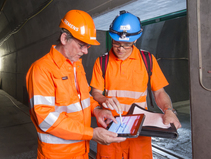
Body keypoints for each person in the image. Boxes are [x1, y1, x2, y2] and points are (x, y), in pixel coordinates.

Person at [26, 10, 126, 159]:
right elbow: (45, 118)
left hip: (81, 151)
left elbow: (85, 99)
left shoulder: (76, 65)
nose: (85, 52)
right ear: (64, 38)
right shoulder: (41, 69)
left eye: (88, 47)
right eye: (81, 45)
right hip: (57, 155)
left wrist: (98, 110)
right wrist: (91, 133)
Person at [90, 10, 182, 159]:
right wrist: (103, 99)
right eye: (116, 43)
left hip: (140, 131)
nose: (120, 48)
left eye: (126, 45)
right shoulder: (102, 62)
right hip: (110, 127)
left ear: (135, 40)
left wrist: (169, 110)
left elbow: (159, 92)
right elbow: (95, 93)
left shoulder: (147, 60)